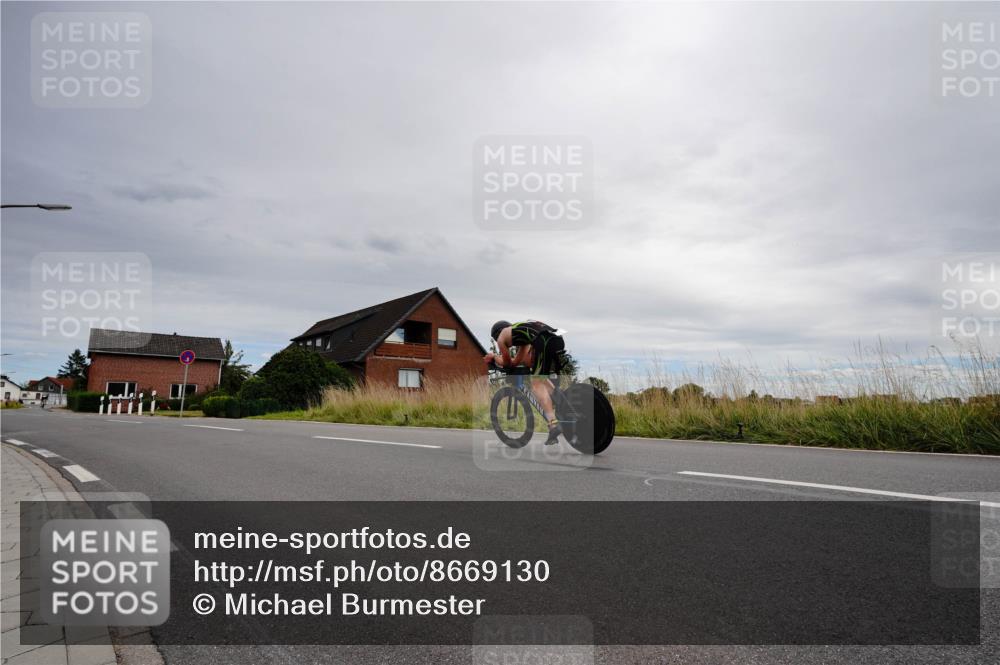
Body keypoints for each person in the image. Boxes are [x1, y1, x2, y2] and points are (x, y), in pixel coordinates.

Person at [484, 320, 566, 445]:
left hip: (543, 341)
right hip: (556, 339)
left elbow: (507, 363)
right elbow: (520, 361)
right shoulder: (521, 334)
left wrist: (494, 357)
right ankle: (562, 401)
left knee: (536, 384)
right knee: (540, 377)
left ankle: (553, 425)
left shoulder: (502, 337)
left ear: (497, 334)